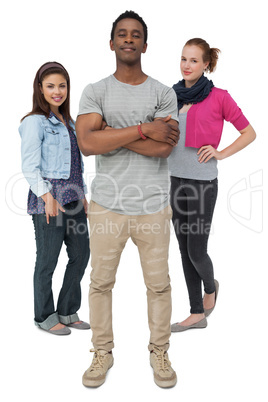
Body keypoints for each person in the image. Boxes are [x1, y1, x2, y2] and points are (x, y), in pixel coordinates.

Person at [76, 10, 179, 388]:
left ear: (145, 45)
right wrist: (142, 129)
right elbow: (87, 143)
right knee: (101, 283)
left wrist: (110, 132)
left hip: (153, 205)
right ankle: (102, 352)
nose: (129, 39)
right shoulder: (95, 90)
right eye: (122, 34)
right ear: (112, 43)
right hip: (106, 206)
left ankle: (160, 351)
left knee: (159, 286)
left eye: (136, 35)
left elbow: (164, 150)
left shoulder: (163, 93)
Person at [168, 38, 256, 332]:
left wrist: (221, 153)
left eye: (194, 60)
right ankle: (195, 313)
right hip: (174, 180)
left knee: (196, 250)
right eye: (183, 59)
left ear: (206, 64)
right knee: (182, 248)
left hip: (202, 183)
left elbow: (249, 132)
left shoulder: (219, 97)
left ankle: (210, 286)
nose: (187, 65)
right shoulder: (172, 95)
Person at [19, 62, 90, 335]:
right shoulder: (34, 122)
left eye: (62, 85)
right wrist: (46, 196)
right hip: (48, 199)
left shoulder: (70, 123)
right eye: (50, 86)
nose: (57, 91)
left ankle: (68, 310)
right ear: (40, 89)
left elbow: (75, 163)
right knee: (47, 259)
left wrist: (83, 194)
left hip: (74, 198)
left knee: (81, 254)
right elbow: (29, 166)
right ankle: (44, 316)